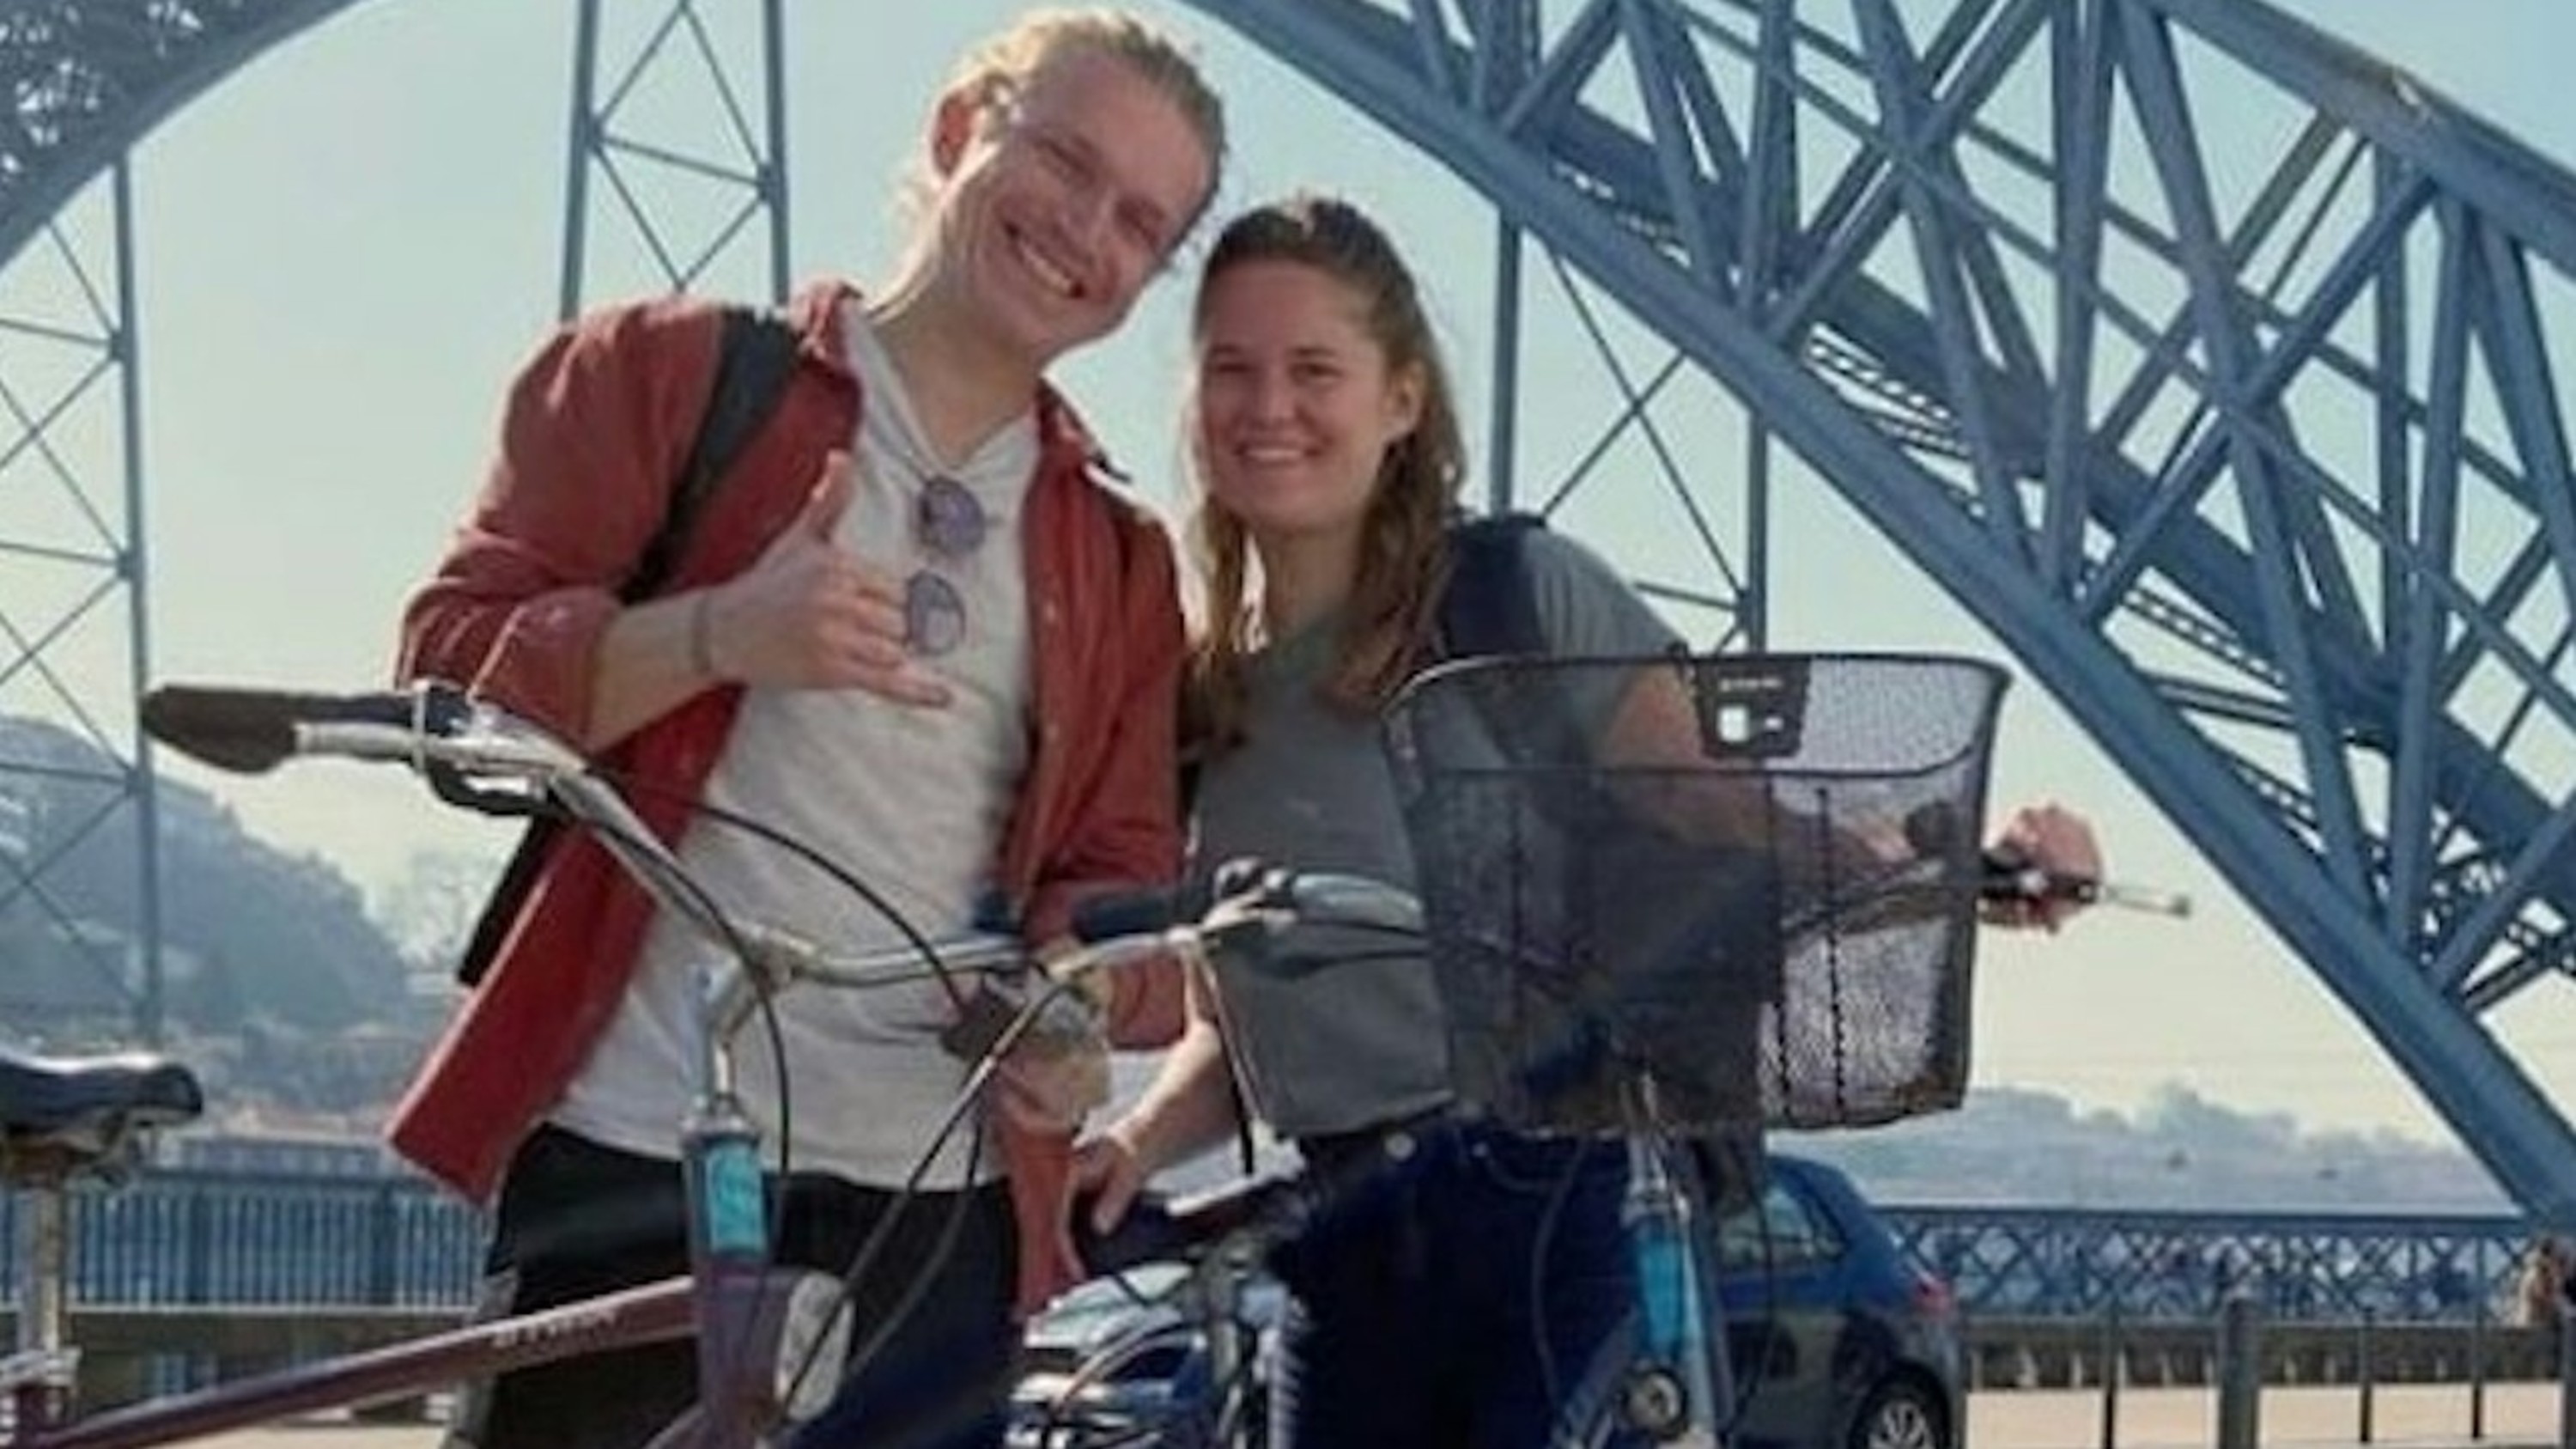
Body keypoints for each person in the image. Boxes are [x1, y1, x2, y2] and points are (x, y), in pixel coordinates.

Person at [1070, 192, 2105, 1447]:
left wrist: (1968, 868)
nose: (1268, 407)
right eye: (1231, 369)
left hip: (1545, 1192)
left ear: (1401, 400)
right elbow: (1245, 1023)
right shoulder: (1204, 697)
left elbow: (1731, 817)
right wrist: (1134, 1137)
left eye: (1314, 370)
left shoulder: (1513, 599)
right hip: (1339, 1237)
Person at [386, 12, 1225, 1449]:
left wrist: (1081, 1012)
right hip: (639, 1156)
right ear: (964, 127)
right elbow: (447, 693)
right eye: (1066, 162)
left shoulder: (1125, 561)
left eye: (1143, 222)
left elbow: (1126, 884)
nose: (1089, 231)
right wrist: (719, 633)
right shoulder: (661, 378)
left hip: (940, 1210)